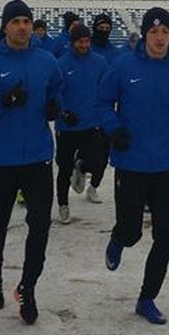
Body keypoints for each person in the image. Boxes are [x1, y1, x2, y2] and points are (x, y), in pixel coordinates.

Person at [98, 7, 169, 325]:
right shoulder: (123, 66)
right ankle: (119, 238)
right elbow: (102, 102)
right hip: (130, 164)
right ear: (145, 34)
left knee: (165, 235)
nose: (160, 38)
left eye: (165, 32)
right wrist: (113, 128)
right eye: (154, 32)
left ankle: (147, 298)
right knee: (132, 231)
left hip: (166, 165)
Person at [0, 0, 62, 324]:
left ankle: (28, 287)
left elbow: (57, 91)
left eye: (26, 21)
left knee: (40, 225)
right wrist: (2, 100)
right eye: (15, 21)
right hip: (0, 159)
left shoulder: (46, 60)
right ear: (5, 26)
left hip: (38, 157)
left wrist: (54, 105)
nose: (22, 27)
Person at [53, 22, 110, 222]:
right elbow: (54, 93)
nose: (84, 45)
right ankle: (63, 205)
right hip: (67, 125)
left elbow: (107, 88)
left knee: (98, 159)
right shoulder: (61, 64)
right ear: (72, 42)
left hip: (91, 122)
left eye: (87, 41)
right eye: (80, 42)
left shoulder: (99, 62)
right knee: (64, 168)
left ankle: (81, 167)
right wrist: (63, 112)